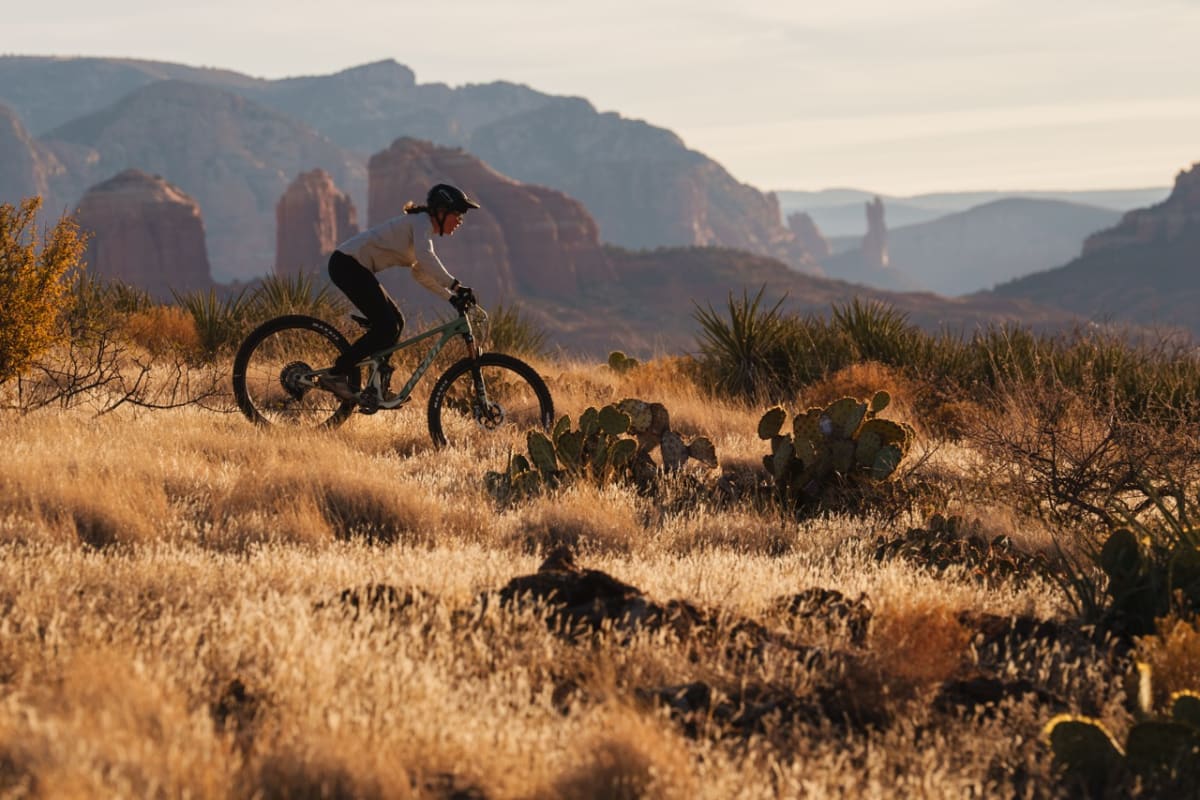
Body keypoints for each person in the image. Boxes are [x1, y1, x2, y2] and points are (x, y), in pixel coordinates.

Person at [317, 183, 480, 400]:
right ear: (441, 211)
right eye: (458, 214)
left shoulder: (423, 230)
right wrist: (456, 286)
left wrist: (451, 298)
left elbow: (420, 273)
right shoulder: (421, 222)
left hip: (354, 267)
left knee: (396, 322)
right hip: (347, 265)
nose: (460, 221)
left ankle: (378, 387)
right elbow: (426, 258)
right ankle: (336, 374)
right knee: (386, 326)